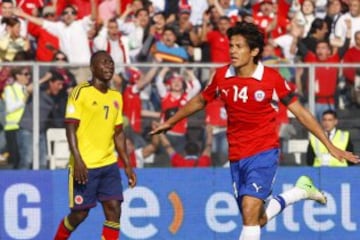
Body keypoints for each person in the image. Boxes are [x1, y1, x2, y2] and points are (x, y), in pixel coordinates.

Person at [150, 22, 360, 240]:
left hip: (263, 152)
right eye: (231, 45)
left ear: (255, 51)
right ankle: (300, 192)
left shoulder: (271, 79)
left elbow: (301, 113)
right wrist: (171, 121)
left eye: (239, 46)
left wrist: (330, 145)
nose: (232, 50)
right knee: (255, 220)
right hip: (237, 155)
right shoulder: (222, 76)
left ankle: (299, 191)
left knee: (250, 210)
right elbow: (200, 100)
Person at [53, 51, 136, 240]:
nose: (109, 66)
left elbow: (118, 133)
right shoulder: (80, 92)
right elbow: (70, 127)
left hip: (109, 164)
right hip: (85, 166)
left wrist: (128, 166)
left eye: (111, 62)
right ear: (92, 68)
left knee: (114, 209)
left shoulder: (116, 96)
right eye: (104, 62)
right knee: (80, 214)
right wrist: (78, 160)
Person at [17, 72, 65, 169]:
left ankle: (40, 183)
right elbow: (28, 89)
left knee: (42, 162)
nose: (60, 87)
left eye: (62, 84)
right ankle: (21, 182)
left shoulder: (56, 97)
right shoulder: (38, 91)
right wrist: (45, 78)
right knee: (27, 160)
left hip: (40, 132)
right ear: (51, 83)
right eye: (58, 84)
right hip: (27, 130)